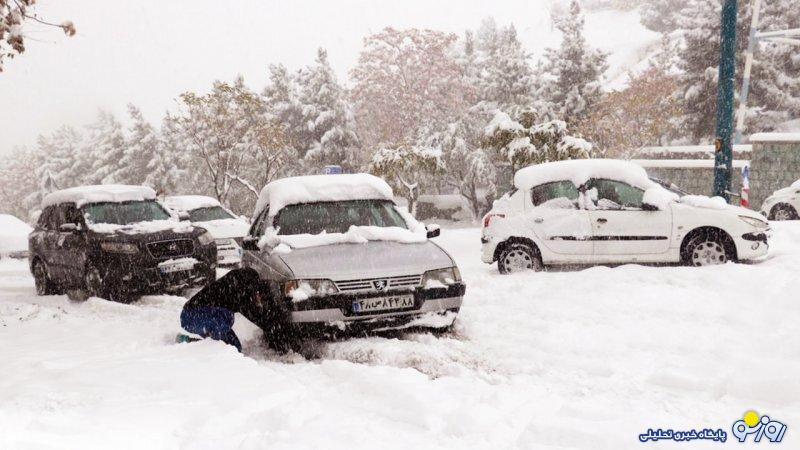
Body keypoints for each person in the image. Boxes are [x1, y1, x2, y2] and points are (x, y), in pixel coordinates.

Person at [178, 268, 267, 352]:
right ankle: (187, 342)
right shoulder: (236, 292)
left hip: (202, 316)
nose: (257, 295)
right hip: (192, 316)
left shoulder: (232, 284)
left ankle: (194, 343)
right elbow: (253, 313)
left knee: (235, 347)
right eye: (256, 292)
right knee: (222, 346)